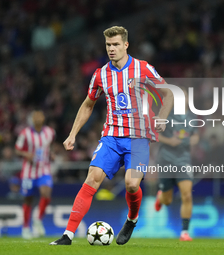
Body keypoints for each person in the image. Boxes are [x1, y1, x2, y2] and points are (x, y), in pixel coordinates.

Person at [50, 26, 173, 246]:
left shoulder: (142, 68)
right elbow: (88, 104)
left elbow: (168, 93)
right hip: (111, 137)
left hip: (138, 138)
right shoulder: (100, 74)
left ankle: (132, 219)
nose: (111, 49)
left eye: (116, 44)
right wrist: (72, 134)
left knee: (132, 185)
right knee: (91, 178)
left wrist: (162, 117)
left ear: (126, 45)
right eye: (108, 45)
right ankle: (67, 235)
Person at [154, 87, 199, 241]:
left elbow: (196, 136)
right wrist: (169, 141)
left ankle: (185, 232)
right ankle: (160, 198)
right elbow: (155, 135)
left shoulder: (193, 117)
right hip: (166, 159)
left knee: (187, 194)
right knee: (167, 200)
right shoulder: (167, 115)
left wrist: (194, 140)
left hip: (183, 160)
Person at [15, 110, 55, 239]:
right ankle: (26, 227)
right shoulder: (25, 133)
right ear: (32, 119)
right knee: (28, 199)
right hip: (28, 172)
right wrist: (27, 154)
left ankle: (37, 219)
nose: (38, 117)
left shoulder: (50, 132)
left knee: (46, 193)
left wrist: (51, 155)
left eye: (40, 115)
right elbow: (17, 149)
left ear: (43, 118)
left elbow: (49, 147)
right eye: (35, 116)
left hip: (44, 169)